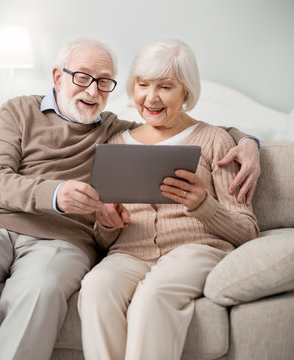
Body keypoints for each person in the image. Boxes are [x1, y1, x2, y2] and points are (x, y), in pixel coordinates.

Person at [0, 38, 260, 360]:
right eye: (82, 77)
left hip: (63, 239)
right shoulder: (21, 111)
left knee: (40, 292)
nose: (93, 90)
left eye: (104, 81)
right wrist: (58, 195)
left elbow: (183, 130)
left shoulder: (113, 130)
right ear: (57, 77)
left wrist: (248, 142)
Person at [77, 39, 260, 360]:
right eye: (143, 85)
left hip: (196, 251)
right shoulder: (116, 144)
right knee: (95, 287)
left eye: (165, 87)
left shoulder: (215, 140)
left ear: (185, 92)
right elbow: (103, 239)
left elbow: (248, 232)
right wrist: (106, 223)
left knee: (153, 296)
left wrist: (204, 206)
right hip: (129, 254)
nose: (151, 97)